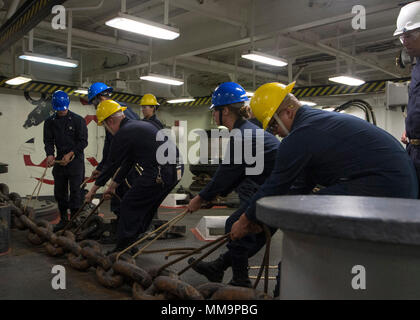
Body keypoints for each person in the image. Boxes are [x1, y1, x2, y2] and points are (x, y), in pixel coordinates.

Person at [230, 82, 419, 241]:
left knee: (309, 215)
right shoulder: (315, 124)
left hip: (386, 185)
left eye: (272, 125)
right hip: (397, 182)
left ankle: (296, 278)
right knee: (303, 208)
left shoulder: (301, 134)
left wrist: (245, 220)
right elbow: (300, 186)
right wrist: (261, 218)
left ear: (288, 112)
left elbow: (276, 184)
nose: (275, 133)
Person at [186, 82, 281, 287]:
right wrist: (212, 197)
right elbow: (238, 173)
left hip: (279, 194)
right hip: (279, 192)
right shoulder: (246, 131)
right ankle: (218, 268)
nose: (213, 115)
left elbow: (226, 173)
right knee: (247, 236)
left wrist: (200, 197)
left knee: (236, 225)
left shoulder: (242, 135)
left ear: (225, 110)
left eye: (215, 111)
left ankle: (240, 282)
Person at [85, 100, 183, 253]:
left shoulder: (123, 134)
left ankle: (122, 248)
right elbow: (128, 163)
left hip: (159, 172)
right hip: (176, 170)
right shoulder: (137, 127)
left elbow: (110, 166)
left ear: (110, 121)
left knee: (128, 204)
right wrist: (112, 187)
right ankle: (132, 242)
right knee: (146, 207)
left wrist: (92, 191)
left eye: (104, 124)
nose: (106, 129)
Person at [87, 82, 140, 242]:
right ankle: (121, 232)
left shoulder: (119, 113)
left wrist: (94, 188)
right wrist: (101, 167)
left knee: (126, 199)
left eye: (93, 103)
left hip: (131, 165)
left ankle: (129, 236)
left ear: (98, 98)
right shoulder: (110, 113)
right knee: (119, 198)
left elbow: (123, 148)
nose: (94, 107)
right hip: (124, 162)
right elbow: (110, 145)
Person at [43, 90, 88, 231]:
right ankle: (63, 220)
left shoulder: (78, 120)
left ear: (67, 105)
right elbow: (48, 141)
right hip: (59, 162)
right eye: (59, 110)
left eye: (63, 109)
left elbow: (83, 142)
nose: (61, 112)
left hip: (75, 161)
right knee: (59, 192)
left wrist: (71, 154)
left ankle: (75, 221)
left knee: (76, 191)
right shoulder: (49, 122)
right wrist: (50, 155)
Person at [395, 1, 420, 193]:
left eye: (409, 35)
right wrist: (410, 131)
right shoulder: (417, 67)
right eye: (402, 36)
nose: (404, 41)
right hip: (413, 149)